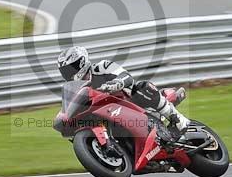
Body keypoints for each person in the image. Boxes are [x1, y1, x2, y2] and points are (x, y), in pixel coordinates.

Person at [56, 45, 190, 143]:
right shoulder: (75, 90)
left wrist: (116, 83)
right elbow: (70, 108)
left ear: (81, 62)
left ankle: (179, 120)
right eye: (64, 71)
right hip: (108, 116)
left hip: (132, 103)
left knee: (142, 87)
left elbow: (127, 77)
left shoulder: (102, 67)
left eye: (69, 69)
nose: (68, 74)